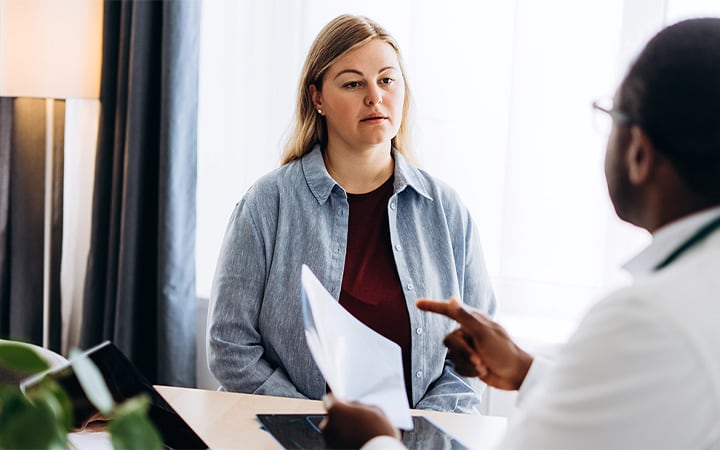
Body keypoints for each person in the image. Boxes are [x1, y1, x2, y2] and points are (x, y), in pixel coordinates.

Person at [321, 17, 720, 449]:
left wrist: (373, 441)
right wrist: (527, 370)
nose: (374, 97)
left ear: (639, 152)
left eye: (610, 113)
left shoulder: (645, 321)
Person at [207, 14, 496, 413]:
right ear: (318, 98)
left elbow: (476, 353)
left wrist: (418, 432)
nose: (375, 96)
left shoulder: (447, 212)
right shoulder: (265, 204)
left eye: (387, 79)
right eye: (353, 83)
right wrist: (314, 426)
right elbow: (229, 346)